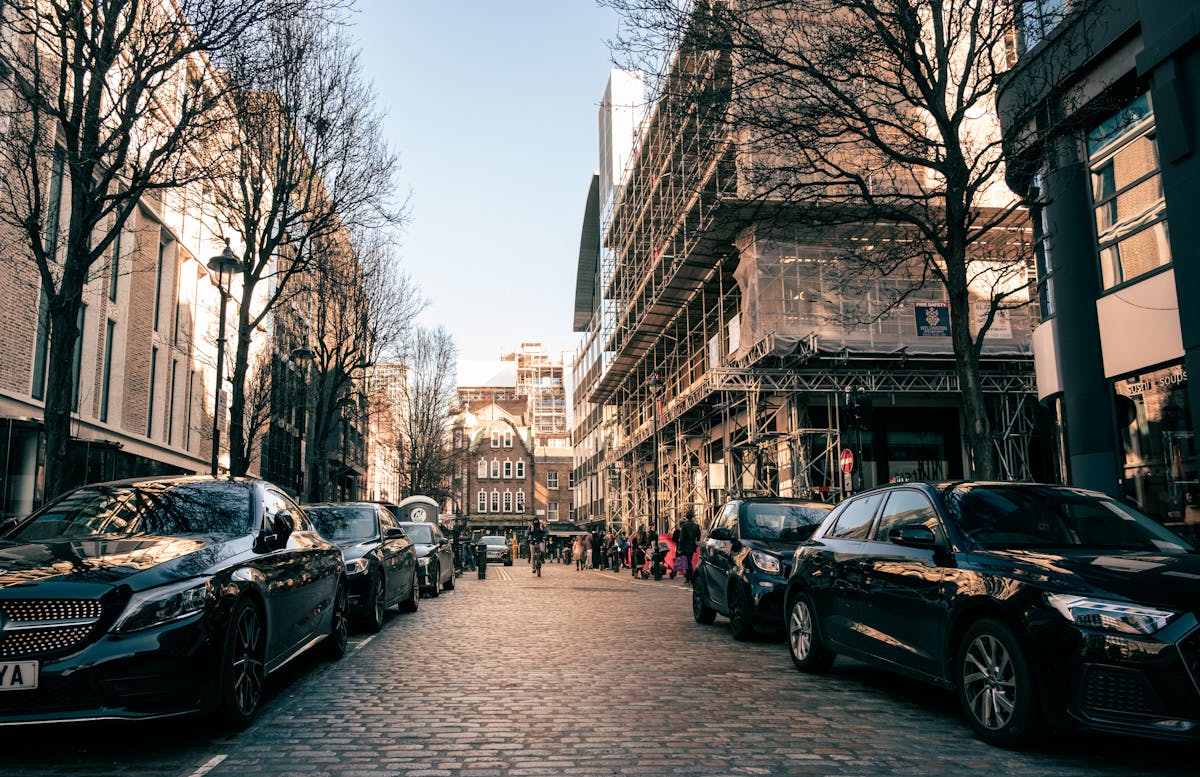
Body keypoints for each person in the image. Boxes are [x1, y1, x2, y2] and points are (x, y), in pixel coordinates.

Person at [673, 508, 702, 584]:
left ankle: (690, 577)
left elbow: (682, 538)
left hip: (685, 546)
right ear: (692, 517)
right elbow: (698, 536)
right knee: (688, 561)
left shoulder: (684, 526)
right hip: (692, 546)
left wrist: (680, 548)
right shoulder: (696, 526)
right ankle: (688, 578)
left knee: (687, 562)